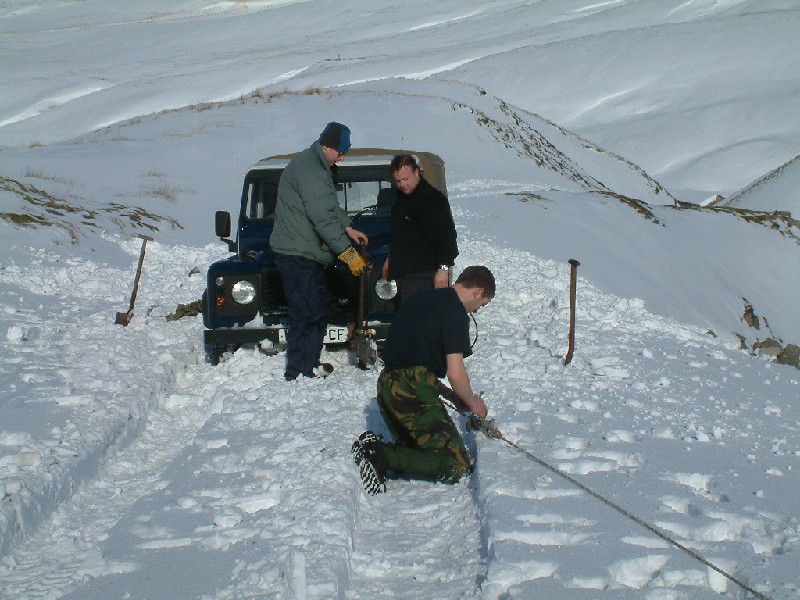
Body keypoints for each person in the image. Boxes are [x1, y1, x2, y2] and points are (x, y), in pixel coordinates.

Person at [352, 265, 495, 494]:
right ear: (477, 292)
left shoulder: (421, 298)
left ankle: (380, 450)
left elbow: (411, 364)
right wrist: (471, 403)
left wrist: (450, 395)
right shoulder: (455, 312)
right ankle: (377, 454)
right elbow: (455, 373)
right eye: (482, 304)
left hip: (387, 385)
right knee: (456, 464)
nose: (477, 311)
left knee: (421, 451)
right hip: (410, 393)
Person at [270, 122, 369, 381]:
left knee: (316, 307)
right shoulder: (313, 172)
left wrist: (347, 226)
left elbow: (329, 206)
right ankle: (299, 372)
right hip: (298, 253)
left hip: (304, 251)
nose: (342, 157)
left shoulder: (315, 166)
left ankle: (308, 365)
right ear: (327, 146)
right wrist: (349, 256)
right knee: (306, 312)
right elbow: (323, 220)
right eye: (340, 152)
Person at [381, 154, 458, 306]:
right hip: (404, 275)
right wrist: (390, 259)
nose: (402, 184)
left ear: (417, 172)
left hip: (424, 275)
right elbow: (400, 236)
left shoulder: (432, 200)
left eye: (405, 179)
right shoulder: (402, 200)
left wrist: (443, 268)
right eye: (397, 181)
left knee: (420, 322)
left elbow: (447, 237)